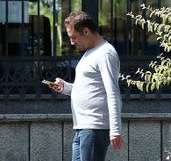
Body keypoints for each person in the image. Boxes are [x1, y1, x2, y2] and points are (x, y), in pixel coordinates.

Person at [49, 11, 124, 160]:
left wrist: (115, 130)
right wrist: (65, 87)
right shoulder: (91, 52)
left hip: (94, 127)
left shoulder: (105, 53)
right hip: (83, 127)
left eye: (74, 37)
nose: (71, 42)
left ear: (86, 31)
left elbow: (113, 92)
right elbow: (89, 89)